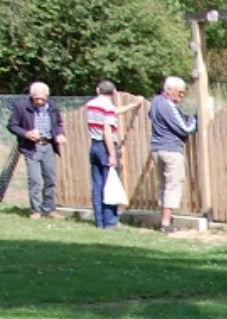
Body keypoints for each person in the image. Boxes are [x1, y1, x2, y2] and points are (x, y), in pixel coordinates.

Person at [84, 80, 144, 229]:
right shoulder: (108, 108)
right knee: (110, 184)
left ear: (98, 90)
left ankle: (99, 221)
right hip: (105, 147)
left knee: (97, 185)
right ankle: (110, 222)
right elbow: (107, 132)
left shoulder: (91, 105)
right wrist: (112, 155)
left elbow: (113, 112)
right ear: (114, 92)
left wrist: (132, 106)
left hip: (94, 145)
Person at [7, 82, 65, 219]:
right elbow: (12, 125)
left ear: (47, 97)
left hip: (48, 145)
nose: (39, 101)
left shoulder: (53, 107)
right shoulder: (21, 107)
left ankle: (49, 208)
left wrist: (60, 134)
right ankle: (35, 210)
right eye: (36, 98)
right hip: (31, 147)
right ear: (31, 96)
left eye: (42, 99)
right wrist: (26, 133)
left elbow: (58, 124)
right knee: (35, 180)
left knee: (50, 178)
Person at [149, 76, 198, 233]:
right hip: (171, 150)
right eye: (180, 93)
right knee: (173, 185)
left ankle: (165, 219)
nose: (181, 96)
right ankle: (165, 223)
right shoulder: (168, 105)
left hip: (156, 149)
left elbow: (151, 116)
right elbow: (185, 128)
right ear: (169, 90)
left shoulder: (155, 101)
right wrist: (195, 119)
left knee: (163, 185)